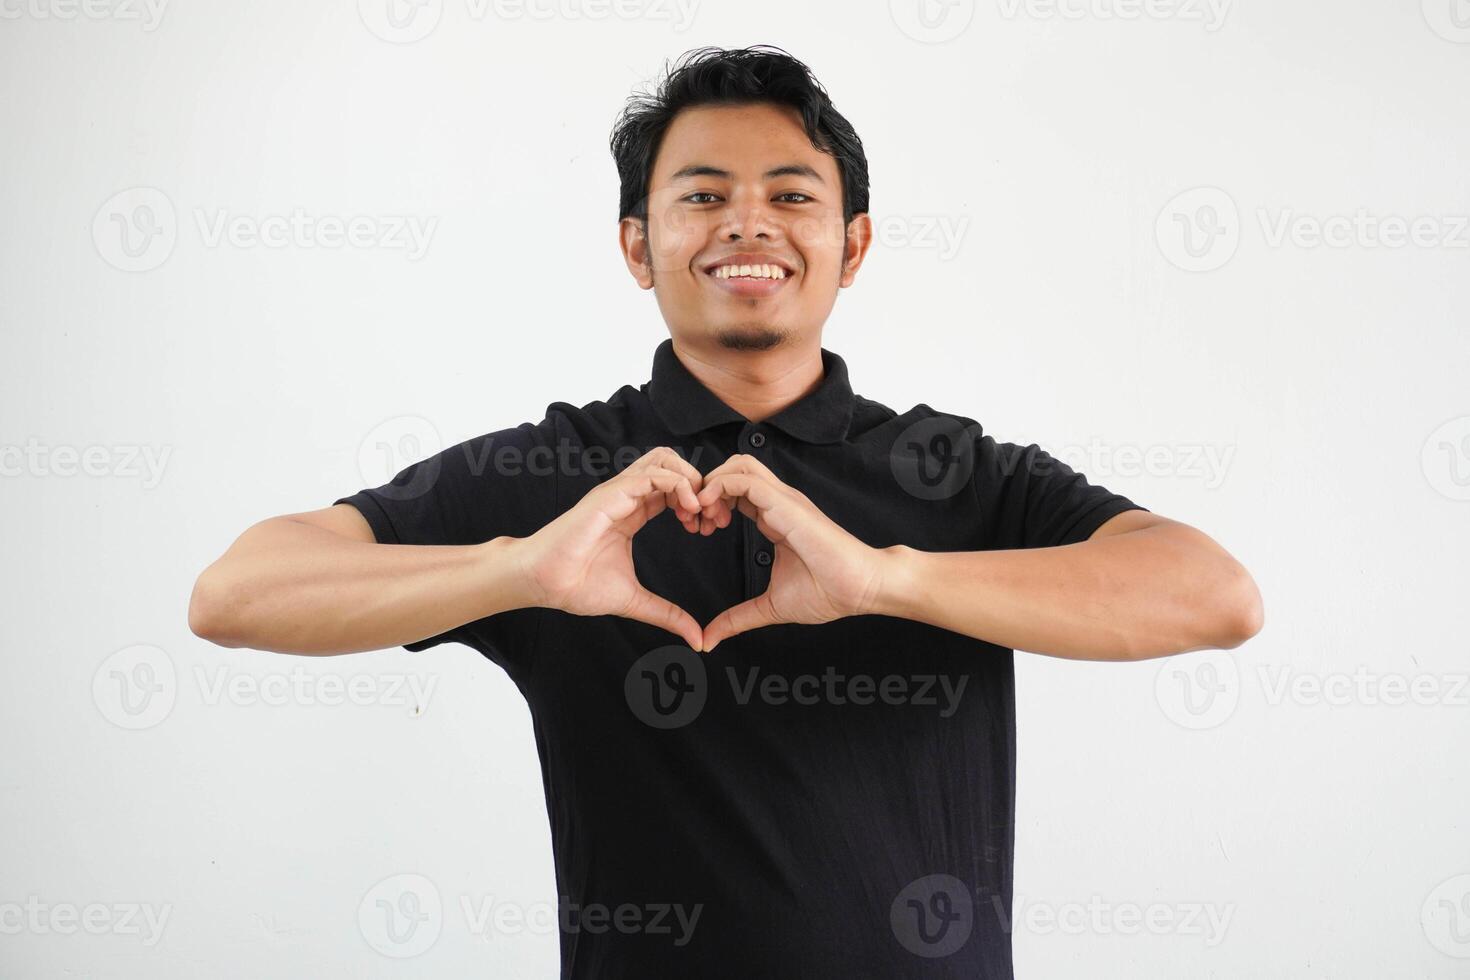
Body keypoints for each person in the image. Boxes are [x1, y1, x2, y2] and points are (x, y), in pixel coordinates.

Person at [188, 44, 1263, 979]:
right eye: (701, 194)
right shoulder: (561, 473)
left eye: (793, 194)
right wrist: (519, 568)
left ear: (854, 244)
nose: (748, 220)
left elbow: (1214, 595)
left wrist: (893, 577)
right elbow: (236, 592)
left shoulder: (949, 471)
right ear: (635, 243)